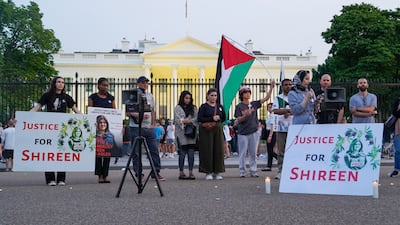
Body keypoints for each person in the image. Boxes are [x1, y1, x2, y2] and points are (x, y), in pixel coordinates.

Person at [31, 76, 82, 186]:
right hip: (49, 129)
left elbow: (76, 110)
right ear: (54, 83)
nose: (61, 84)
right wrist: (23, 117)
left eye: (63, 82)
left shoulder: (67, 97)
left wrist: (87, 120)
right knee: (49, 153)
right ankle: (50, 179)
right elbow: (37, 108)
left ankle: (61, 178)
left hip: (63, 130)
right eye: (58, 82)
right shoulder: (47, 96)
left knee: (62, 152)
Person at [127, 76, 165, 181]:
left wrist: (153, 123)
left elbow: (153, 110)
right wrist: (139, 116)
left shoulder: (149, 95)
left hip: (148, 127)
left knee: (154, 150)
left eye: (147, 83)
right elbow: (128, 112)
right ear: (138, 83)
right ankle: (139, 173)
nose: (145, 85)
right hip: (135, 126)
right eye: (143, 83)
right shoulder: (132, 94)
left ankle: (156, 172)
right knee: (136, 152)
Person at [234, 80, 275, 178]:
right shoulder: (239, 106)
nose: (247, 94)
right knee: (243, 152)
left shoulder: (254, 104)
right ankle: (242, 171)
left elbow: (266, 98)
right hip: (243, 132)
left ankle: (253, 170)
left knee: (253, 152)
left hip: (254, 131)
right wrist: (245, 115)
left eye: (248, 92)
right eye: (245, 93)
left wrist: (271, 87)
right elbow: (238, 119)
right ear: (241, 95)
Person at [88, 77, 116, 183]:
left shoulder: (111, 98)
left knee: (107, 153)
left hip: (107, 129)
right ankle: (99, 175)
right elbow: (90, 111)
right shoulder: (93, 97)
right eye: (103, 85)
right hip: (97, 130)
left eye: (107, 85)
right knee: (98, 154)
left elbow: (114, 111)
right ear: (98, 86)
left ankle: (105, 175)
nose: (105, 87)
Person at [197, 88, 226, 180]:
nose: (214, 97)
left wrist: (219, 117)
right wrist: (212, 118)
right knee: (207, 150)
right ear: (207, 96)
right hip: (206, 130)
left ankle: (217, 171)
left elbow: (224, 117)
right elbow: (200, 118)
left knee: (218, 150)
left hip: (217, 129)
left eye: (215, 96)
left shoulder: (219, 106)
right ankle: (207, 171)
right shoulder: (203, 107)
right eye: (212, 95)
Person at [271, 78, 293, 180]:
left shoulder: (295, 97)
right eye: (286, 85)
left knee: (292, 150)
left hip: (293, 127)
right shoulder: (278, 98)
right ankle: (281, 170)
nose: (288, 86)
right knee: (281, 150)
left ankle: (292, 169)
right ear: (282, 86)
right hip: (281, 127)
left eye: (290, 84)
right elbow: (274, 110)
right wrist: (286, 111)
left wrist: (287, 111)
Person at [174, 90, 198, 180]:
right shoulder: (177, 108)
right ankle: (181, 172)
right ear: (182, 98)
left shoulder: (194, 108)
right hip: (181, 134)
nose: (188, 100)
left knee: (191, 154)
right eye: (186, 98)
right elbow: (176, 119)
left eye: (189, 98)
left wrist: (190, 121)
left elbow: (196, 118)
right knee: (182, 154)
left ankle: (191, 172)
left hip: (191, 134)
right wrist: (182, 121)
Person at [94, 115, 117, 183]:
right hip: (98, 151)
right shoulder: (94, 134)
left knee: (107, 160)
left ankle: (105, 176)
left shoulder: (111, 135)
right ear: (98, 124)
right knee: (98, 160)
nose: (102, 124)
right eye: (100, 122)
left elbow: (114, 146)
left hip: (107, 151)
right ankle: (100, 176)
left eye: (104, 122)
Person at [261, 103, 278, 172]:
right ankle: (269, 165)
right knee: (269, 149)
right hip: (268, 132)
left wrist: (270, 135)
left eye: (271, 107)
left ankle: (280, 159)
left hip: (272, 132)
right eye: (269, 107)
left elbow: (272, 126)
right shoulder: (269, 116)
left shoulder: (273, 115)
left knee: (271, 151)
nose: (270, 109)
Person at [388, 98, 400, 177]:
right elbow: (394, 113)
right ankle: (397, 169)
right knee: (398, 150)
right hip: (398, 128)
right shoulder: (398, 100)